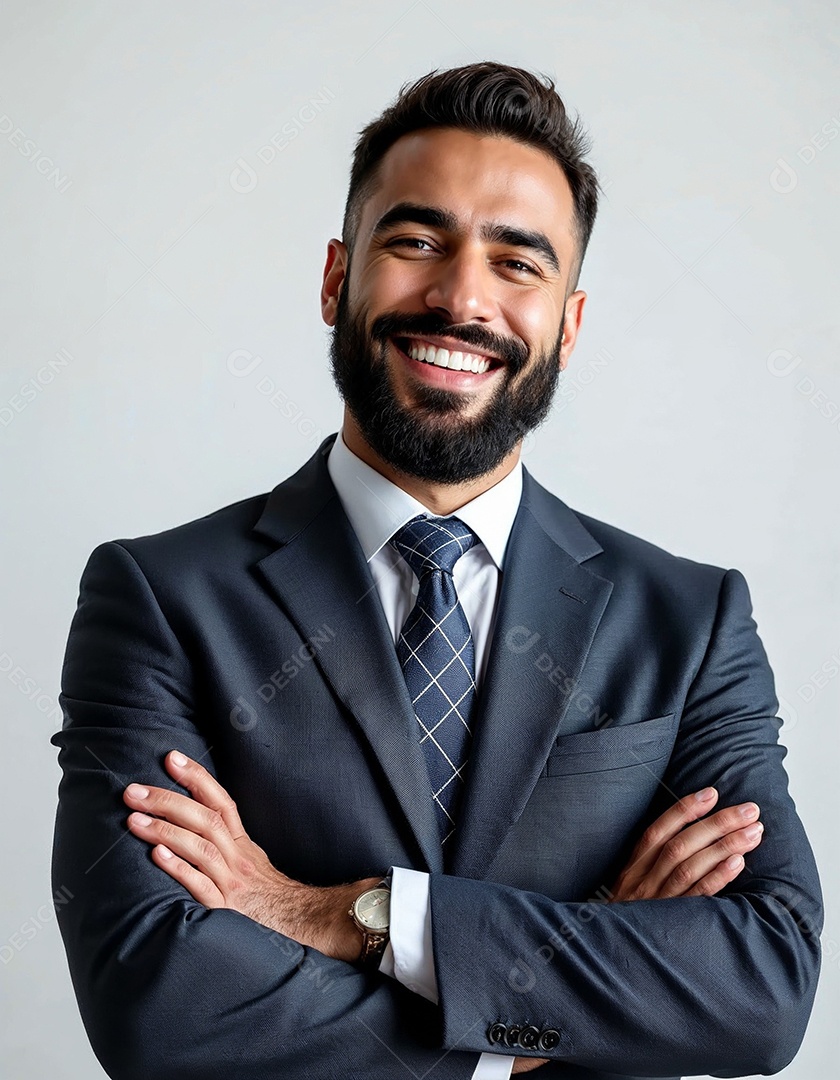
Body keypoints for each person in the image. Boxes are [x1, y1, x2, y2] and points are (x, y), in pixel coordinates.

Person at [51, 63, 822, 1080]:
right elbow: (155, 1004)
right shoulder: (160, 598)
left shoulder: (691, 620)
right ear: (337, 278)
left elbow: (761, 991)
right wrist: (547, 1023)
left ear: (569, 326)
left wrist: (358, 918)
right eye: (417, 242)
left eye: (518, 264)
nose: (461, 298)